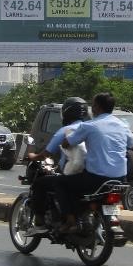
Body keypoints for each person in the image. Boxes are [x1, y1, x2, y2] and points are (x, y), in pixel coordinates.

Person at [53, 92, 133, 233]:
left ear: (97, 107)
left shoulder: (90, 126)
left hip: (96, 178)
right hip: (121, 178)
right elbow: (132, 145)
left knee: (61, 183)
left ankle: (71, 221)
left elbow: (67, 143)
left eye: (93, 105)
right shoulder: (123, 125)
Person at [25, 97, 89, 233]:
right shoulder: (89, 128)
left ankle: (40, 222)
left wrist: (32, 156)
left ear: (66, 113)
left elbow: (46, 153)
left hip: (73, 174)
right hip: (90, 174)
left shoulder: (65, 130)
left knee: (41, 183)